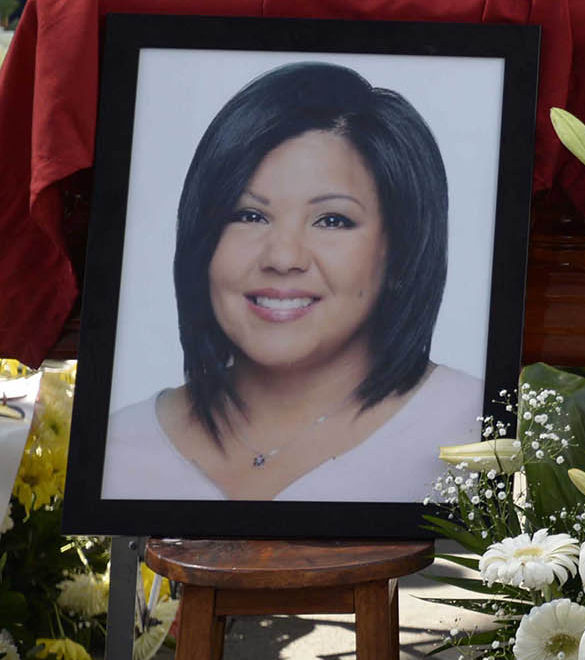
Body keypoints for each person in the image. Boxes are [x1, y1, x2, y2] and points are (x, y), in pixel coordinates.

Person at [104, 61, 481, 503]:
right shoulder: (120, 444)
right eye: (249, 215)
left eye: (332, 220)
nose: (283, 257)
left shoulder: (475, 432)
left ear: (400, 251)